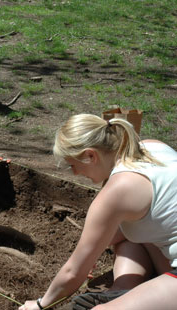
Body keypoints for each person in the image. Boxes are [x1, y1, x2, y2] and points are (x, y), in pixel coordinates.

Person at [19, 114, 177, 310]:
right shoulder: (150, 147)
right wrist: (89, 252)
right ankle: (122, 290)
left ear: (91, 155)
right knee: (130, 235)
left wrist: (41, 304)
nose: (76, 173)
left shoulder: (118, 190)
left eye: (73, 165)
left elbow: (72, 272)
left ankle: (123, 299)